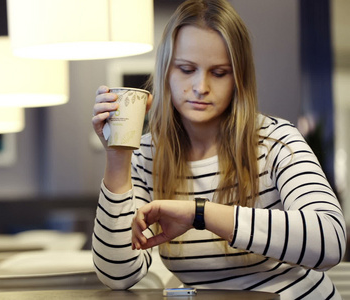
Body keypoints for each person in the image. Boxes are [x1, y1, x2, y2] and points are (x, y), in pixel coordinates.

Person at [90, 0, 347, 299]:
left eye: (220, 72)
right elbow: (118, 275)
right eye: (187, 69)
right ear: (166, 72)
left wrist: (200, 214)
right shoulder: (147, 155)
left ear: (239, 78)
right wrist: (118, 157)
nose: (201, 86)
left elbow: (331, 240)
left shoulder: (276, 140)